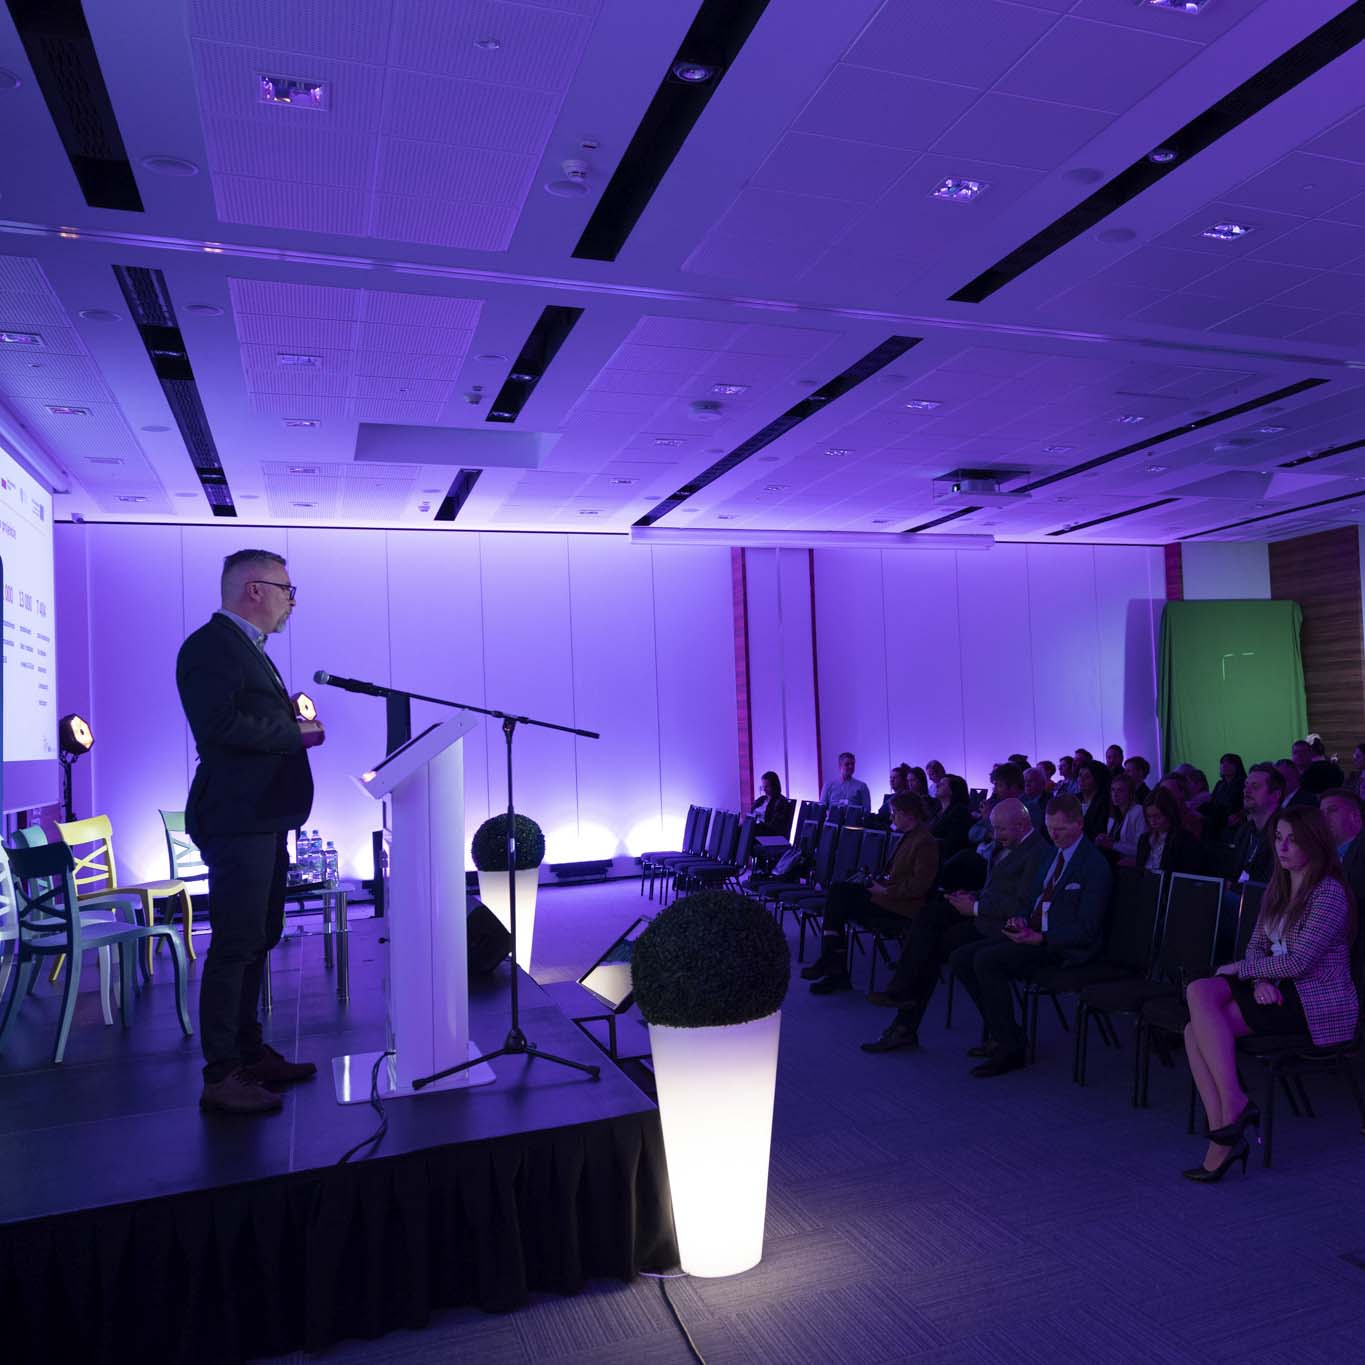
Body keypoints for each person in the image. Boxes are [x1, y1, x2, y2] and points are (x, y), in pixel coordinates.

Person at [176, 549, 326, 1115]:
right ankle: (222, 1074)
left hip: (264, 818)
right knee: (236, 944)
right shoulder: (209, 646)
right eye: (287, 590)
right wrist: (294, 733)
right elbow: (218, 726)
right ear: (254, 590)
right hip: (238, 819)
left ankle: (248, 1051)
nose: (292, 602)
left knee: (260, 936)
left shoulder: (247, 648)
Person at [1182, 806, 1358, 1181]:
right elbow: (1256, 946)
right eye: (1278, 838)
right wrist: (1258, 981)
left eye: (1293, 840)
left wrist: (1245, 971)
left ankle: (1225, 1134)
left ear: (1314, 843)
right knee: (1198, 991)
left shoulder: (1328, 892)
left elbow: (1300, 962)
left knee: (1195, 1030)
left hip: (1313, 999)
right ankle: (1229, 1114)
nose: (1283, 847)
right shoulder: (1279, 886)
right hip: (1274, 986)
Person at [862, 798, 1049, 1052]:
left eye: (1001, 829)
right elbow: (994, 889)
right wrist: (971, 896)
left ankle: (904, 1018)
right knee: (930, 918)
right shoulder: (1005, 844)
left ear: (1022, 825)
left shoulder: (1038, 852)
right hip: (985, 915)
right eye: (994, 828)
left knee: (932, 947)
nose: (995, 835)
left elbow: (1022, 904)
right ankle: (904, 1011)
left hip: (1004, 927)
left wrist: (975, 907)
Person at [948, 795, 1111, 1077]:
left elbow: (1087, 929)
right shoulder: (1052, 855)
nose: (1054, 835)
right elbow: (1030, 898)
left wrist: (1042, 938)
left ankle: (1009, 1046)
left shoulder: (1094, 866)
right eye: (1050, 828)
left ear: (1079, 824)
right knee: (961, 957)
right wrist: (1021, 918)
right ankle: (1006, 1034)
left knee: (986, 961)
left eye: (1060, 829)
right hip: (1033, 932)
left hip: (1060, 945)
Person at [801, 794, 939, 994]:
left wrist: (885, 890)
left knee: (838, 897)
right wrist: (878, 882)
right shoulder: (909, 836)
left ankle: (833, 967)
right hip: (888, 897)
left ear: (908, 815)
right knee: (839, 894)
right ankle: (833, 966)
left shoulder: (925, 842)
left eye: (895, 813)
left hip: (902, 906)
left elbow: (920, 885)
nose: (891, 818)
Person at [1232, 763, 1285, 884]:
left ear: (1275, 794)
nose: (1246, 791)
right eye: (1246, 785)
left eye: (1255, 786)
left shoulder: (1284, 833)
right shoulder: (1244, 830)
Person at [1136, 787, 1209, 875]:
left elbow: (1187, 875)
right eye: (1149, 816)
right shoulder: (1144, 839)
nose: (1152, 821)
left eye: (1157, 816)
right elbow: (1139, 872)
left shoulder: (1184, 840)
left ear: (1169, 813)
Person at [1319, 788, 1365, 908]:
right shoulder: (1322, 854)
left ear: (1355, 816)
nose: (1324, 818)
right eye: (1321, 813)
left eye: (1332, 810)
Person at [1096, 772, 1144, 863]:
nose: (1115, 794)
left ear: (1130, 793)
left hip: (1130, 863)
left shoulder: (1138, 812)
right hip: (1114, 859)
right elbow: (1116, 841)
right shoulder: (1113, 813)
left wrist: (1112, 845)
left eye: (1120, 790)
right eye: (1113, 790)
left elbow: (1141, 848)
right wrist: (1104, 839)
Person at [930, 773, 973, 859]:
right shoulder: (937, 811)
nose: (937, 785)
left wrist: (928, 841)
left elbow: (955, 842)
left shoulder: (960, 811)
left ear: (952, 790)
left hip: (947, 858)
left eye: (942, 784)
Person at [751, 770, 795, 838]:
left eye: (767, 787)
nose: (764, 789)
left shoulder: (782, 802)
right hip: (755, 830)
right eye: (763, 786)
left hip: (767, 834)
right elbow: (751, 814)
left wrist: (757, 826)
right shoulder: (761, 799)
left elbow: (775, 827)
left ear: (775, 786)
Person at [1076, 759, 1111, 842]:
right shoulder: (1073, 799)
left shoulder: (1105, 802)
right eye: (1080, 775)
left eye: (1087, 777)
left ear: (1097, 779)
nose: (1081, 779)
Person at [1211, 753, 1247, 826]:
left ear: (1237, 766)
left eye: (1229, 762)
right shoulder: (1219, 785)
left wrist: (1239, 815)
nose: (1224, 765)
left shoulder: (1244, 784)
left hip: (1236, 823)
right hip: (1218, 822)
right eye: (1222, 762)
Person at [1021, 766, 1051, 836]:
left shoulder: (1050, 802)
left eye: (1031, 781)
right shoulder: (1020, 800)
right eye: (1025, 781)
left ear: (1043, 783)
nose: (1027, 784)